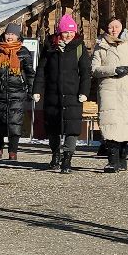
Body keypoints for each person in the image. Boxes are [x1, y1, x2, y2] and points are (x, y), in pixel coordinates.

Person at [33, 13, 91, 173]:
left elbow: (86, 72)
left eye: (71, 32)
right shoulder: (50, 47)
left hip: (73, 95)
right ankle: (55, 155)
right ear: (59, 32)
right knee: (53, 128)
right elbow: (41, 70)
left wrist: (84, 92)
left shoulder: (79, 47)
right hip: (53, 95)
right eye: (66, 32)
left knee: (72, 128)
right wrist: (37, 89)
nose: (69, 35)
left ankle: (67, 158)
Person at [91, 18, 128, 174]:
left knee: (126, 123)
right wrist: (113, 70)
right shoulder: (101, 45)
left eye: (116, 26)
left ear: (122, 27)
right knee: (109, 123)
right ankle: (112, 161)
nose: (114, 30)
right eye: (110, 27)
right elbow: (95, 69)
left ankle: (123, 155)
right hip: (108, 88)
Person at [0, 23, 35, 162]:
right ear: (4, 34)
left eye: (13, 34)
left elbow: (30, 73)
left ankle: (13, 152)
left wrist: (31, 89)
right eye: (8, 34)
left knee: (14, 122)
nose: (10, 36)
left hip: (17, 92)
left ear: (18, 36)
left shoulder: (23, 51)